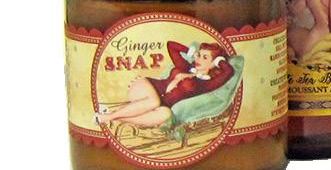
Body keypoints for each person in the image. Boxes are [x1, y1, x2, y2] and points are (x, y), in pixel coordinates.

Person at [96, 41, 234, 127]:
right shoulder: (186, 67)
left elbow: (229, 71)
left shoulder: (206, 84)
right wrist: (190, 51)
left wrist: (219, 61)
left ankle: (115, 117)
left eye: (205, 57)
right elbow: (171, 45)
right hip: (145, 87)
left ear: (212, 63)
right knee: (154, 101)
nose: (198, 59)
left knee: (166, 114)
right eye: (198, 55)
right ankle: (108, 117)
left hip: (160, 107)